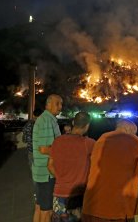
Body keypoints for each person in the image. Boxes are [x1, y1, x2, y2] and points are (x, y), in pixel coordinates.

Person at [81, 119, 138, 222]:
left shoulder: (102, 138)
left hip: (91, 206)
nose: (135, 136)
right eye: (135, 133)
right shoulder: (131, 139)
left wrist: (135, 162)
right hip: (116, 211)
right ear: (129, 129)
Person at [48, 112, 96, 222]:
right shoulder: (89, 143)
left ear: (73, 122)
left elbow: (50, 166)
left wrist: (60, 178)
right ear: (87, 126)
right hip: (77, 196)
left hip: (58, 194)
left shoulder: (57, 141)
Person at [32, 94, 63, 222]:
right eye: (58, 104)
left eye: (61, 104)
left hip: (41, 172)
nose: (60, 107)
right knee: (47, 211)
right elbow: (44, 149)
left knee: (39, 207)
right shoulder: (46, 120)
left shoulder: (46, 119)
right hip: (47, 174)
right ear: (48, 104)